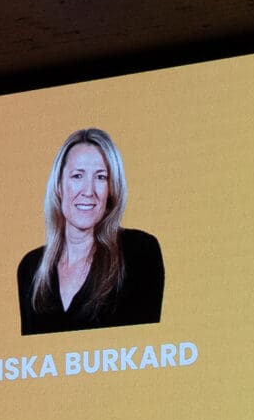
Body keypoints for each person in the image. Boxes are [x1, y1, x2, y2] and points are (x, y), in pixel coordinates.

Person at [15, 127, 165, 335]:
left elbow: (146, 343)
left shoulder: (138, 252)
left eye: (101, 177)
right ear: (59, 185)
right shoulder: (31, 268)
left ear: (111, 189)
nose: (88, 191)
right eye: (77, 176)